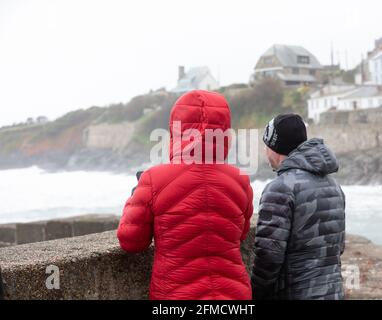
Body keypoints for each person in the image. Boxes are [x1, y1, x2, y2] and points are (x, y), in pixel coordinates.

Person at [117, 90, 253, 300]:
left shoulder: (154, 179)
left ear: (176, 130)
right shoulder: (240, 180)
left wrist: (135, 197)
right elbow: (241, 234)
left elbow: (132, 241)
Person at [251, 113, 346, 300]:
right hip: (333, 292)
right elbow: (338, 246)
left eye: (266, 145)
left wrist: (255, 293)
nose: (265, 152)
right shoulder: (333, 185)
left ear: (275, 147)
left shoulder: (280, 188)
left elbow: (269, 257)